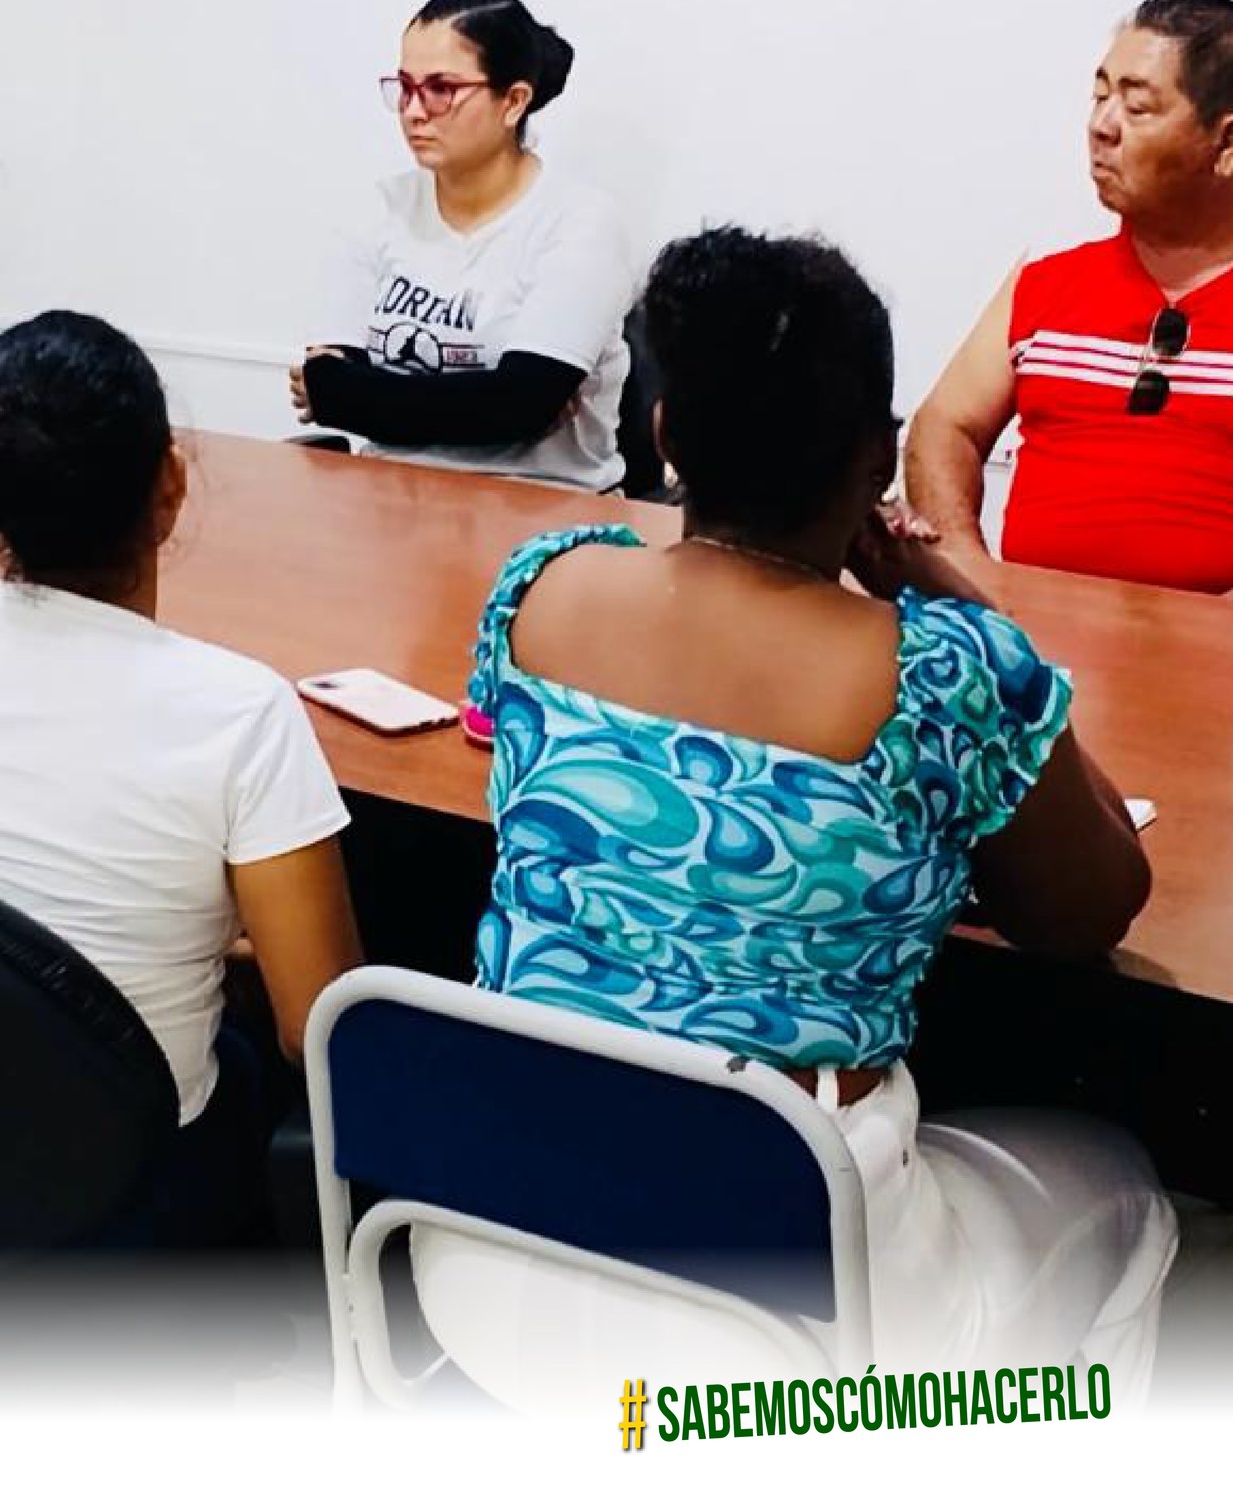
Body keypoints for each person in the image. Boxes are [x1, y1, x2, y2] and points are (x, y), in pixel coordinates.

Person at [417, 226, 1172, 1406]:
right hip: (790, 1333)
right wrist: (956, 603)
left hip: (489, 1251)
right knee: (1129, 1184)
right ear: (875, 457)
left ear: (664, 433)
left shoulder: (543, 585)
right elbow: (1091, 909)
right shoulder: (942, 673)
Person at [0, 311, 362, 1243]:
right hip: (119, 1174)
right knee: (254, 1065)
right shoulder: (240, 711)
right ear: (171, 484)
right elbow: (317, 1030)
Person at [907, 0, 1233, 591]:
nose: (1101, 126)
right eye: (1099, 96)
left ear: (1227, 143)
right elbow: (944, 427)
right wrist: (967, 572)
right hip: (1031, 636)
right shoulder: (1047, 280)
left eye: (1137, 107)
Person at [289, 0, 635, 487]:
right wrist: (339, 391)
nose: (413, 111)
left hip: (543, 504)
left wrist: (354, 394)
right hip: (386, 497)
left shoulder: (580, 222)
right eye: (405, 87)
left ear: (513, 101)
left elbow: (520, 405)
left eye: (441, 89)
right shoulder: (379, 208)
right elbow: (326, 378)